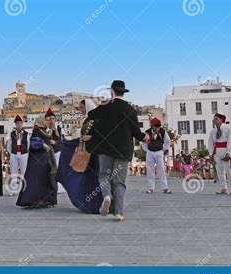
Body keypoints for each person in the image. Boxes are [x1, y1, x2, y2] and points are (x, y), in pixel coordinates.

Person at [87, 80, 150, 221]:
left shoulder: (105, 107)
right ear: (123, 92)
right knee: (119, 181)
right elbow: (135, 131)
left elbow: (91, 115)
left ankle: (107, 196)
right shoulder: (129, 109)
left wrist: (101, 104)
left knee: (104, 175)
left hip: (105, 148)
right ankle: (118, 212)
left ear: (112, 91)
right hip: (123, 149)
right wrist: (144, 137)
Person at [56, 99, 103, 213]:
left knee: (94, 179)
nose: (81, 110)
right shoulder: (87, 119)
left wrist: (91, 138)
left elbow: (103, 135)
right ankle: (88, 203)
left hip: (94, 153)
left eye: (82, 107)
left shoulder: (97, 119)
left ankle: (97, 204)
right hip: (86, 152)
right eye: (80, 108)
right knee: (86, 179)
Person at [16, 114, 58, 208]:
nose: (48, 121)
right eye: (46, 120)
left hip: (44, 158)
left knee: (44, 179)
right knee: (36, 179)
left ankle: (45, 200)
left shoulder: (43, 131)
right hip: (37, 159)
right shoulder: (37, 131)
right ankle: (34, 200)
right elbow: (33, 142)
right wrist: (43, 144)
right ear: (41, 121)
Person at [207, 113, 231, 195]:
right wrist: (210, 154)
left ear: (221, 119)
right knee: (220, 171)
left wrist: (228, 152)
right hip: (216, 152)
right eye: (214, 119)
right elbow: (210, 143)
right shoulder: (213, 131)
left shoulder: (227, 128)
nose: (214, 120)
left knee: (229, 171)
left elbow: (230, 141)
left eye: (216, 119)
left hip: (225, 150)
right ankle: (223, 188)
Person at [142, 118, 172, 194]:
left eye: (158, 126)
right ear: (152, 126)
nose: (157, 128)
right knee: (150, 170)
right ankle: (150, 188)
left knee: (162, 169)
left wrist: (163, 149)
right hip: (150, 152)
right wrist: (147, 150)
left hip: (159, 152)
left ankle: (165, 188)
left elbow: (167, 141)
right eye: (156, 126)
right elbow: (144, 143)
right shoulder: (147, 132)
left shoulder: (163, 132)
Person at [6, 115, 29, 195]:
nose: (19, 125)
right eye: (17, 123)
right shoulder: (12, 134)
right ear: (15, 125)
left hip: (24, 154)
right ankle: (13, 189)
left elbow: (28, 144)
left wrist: (26, 152)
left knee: (24, 171)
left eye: (20, 123)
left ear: (22, 124)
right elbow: (9, 145)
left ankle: (25, 188)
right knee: (13, 171)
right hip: (14, 154)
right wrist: (12, 153)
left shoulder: (26, 134)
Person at [45, 108, 66, 194]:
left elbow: (63, 140)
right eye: (50, 119)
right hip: (48, 154)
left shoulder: (59, 129)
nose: (52, 121)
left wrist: (56, 142)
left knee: (58, 169)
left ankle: (59, 187)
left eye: (53, 119)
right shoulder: (45, 130)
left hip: (58, 152)